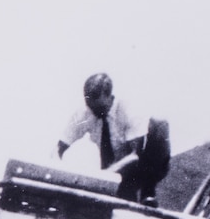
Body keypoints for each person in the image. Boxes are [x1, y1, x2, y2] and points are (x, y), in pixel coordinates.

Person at [56, 73, 171, 206]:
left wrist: (104, 175)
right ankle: (123, 196)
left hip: (140, 164)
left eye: (99, 108)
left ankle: (148, 191)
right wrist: (56, 171)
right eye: (91, 107)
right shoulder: (84, 113)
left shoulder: (129, 109)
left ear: (109, 96)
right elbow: (59, 147)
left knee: (159, 124)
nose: (94, 112)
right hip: (113, 166)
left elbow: (136, 155)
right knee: (117, 206)